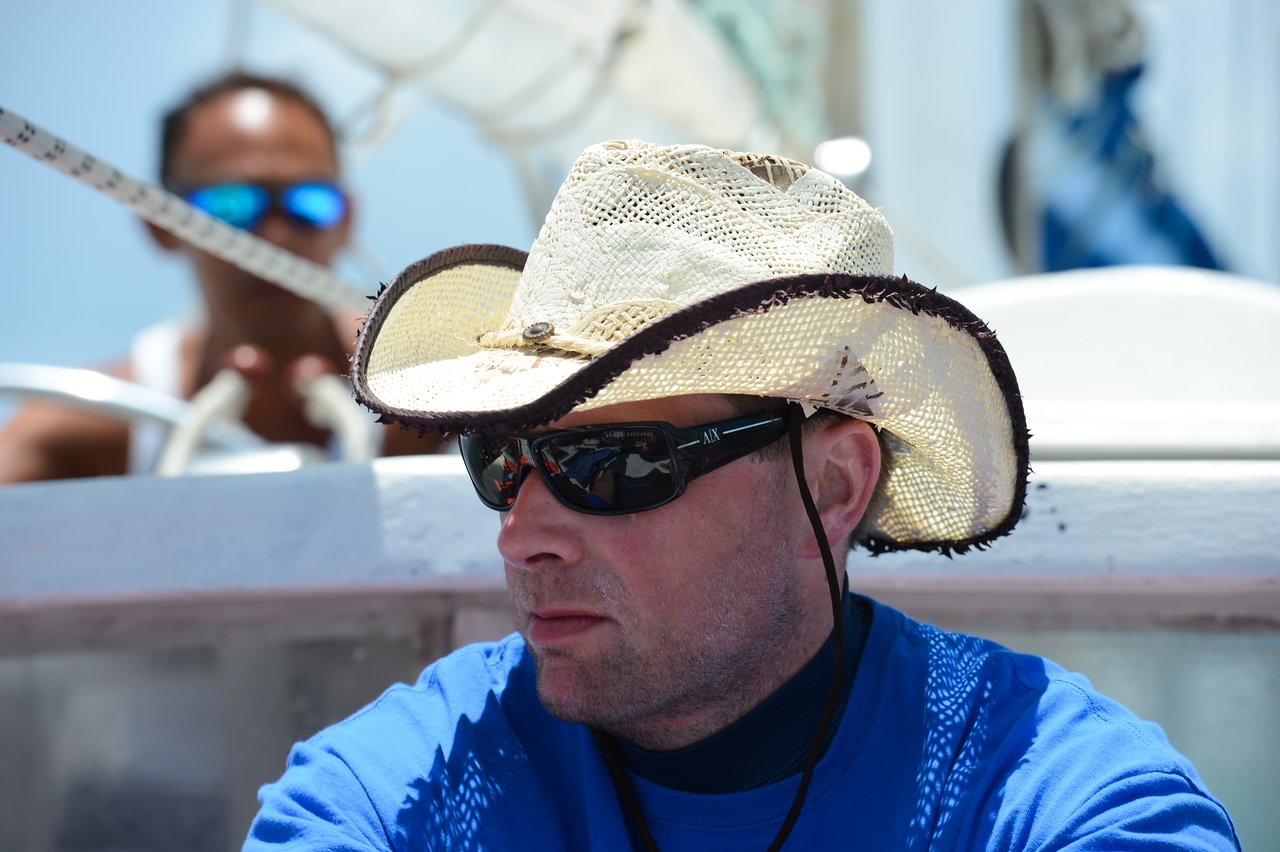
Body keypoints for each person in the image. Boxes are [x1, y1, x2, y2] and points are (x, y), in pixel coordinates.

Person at [245, 140, 1239, 849]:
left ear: (835, 483)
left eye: (617, 463)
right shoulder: (394, 793)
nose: (521, 536)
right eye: (501, 460)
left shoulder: (1045, 796)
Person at [0, 70, 442, 484]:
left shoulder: (438, 391)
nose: (276, 235)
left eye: (310, 202)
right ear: (161, 224)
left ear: (346, 219)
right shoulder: (93, 425)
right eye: (230, 205)